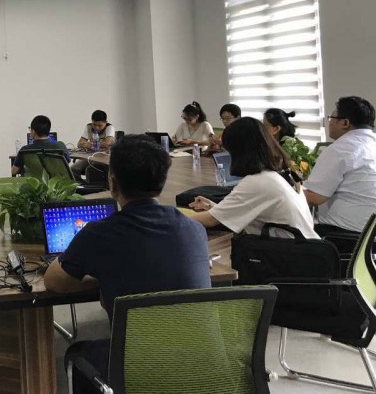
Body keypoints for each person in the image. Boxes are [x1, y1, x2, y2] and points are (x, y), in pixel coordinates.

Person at [44, 134, 211, 391]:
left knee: (76, 352)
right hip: (199, 360)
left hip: (136, 362)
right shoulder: (194, 230)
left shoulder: (98, 234)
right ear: (162, 181)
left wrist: (104, 275)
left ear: (112, 182)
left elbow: (54, 282)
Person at [188, 117, 318, 238]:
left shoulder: (257, 181)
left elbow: (210, 220)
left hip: (288, 252)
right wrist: (214, 208)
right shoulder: (283, 173)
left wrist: (177, 217)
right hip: (308, 247)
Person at [304, 96, 376, 234]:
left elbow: (315, 197)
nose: (329, 122)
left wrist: (288, 190)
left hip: (345, 234)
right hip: (369, 237)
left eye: (331, 118)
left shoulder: (341, 148)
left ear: (345, 123)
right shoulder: (372, 144)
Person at [71, 110, 115, 181]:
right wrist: (92, 145)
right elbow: (79, 143)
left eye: (99, 125)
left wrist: (90, 145)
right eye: (94, 125)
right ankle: (80, 185)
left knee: (90, 170)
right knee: (73, 168)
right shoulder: (89, 127)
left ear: (105, 123)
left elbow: (108, 143)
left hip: (103, 159)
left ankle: (91, 187)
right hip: (91, 157)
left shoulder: (109, 127)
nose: (96, 128)